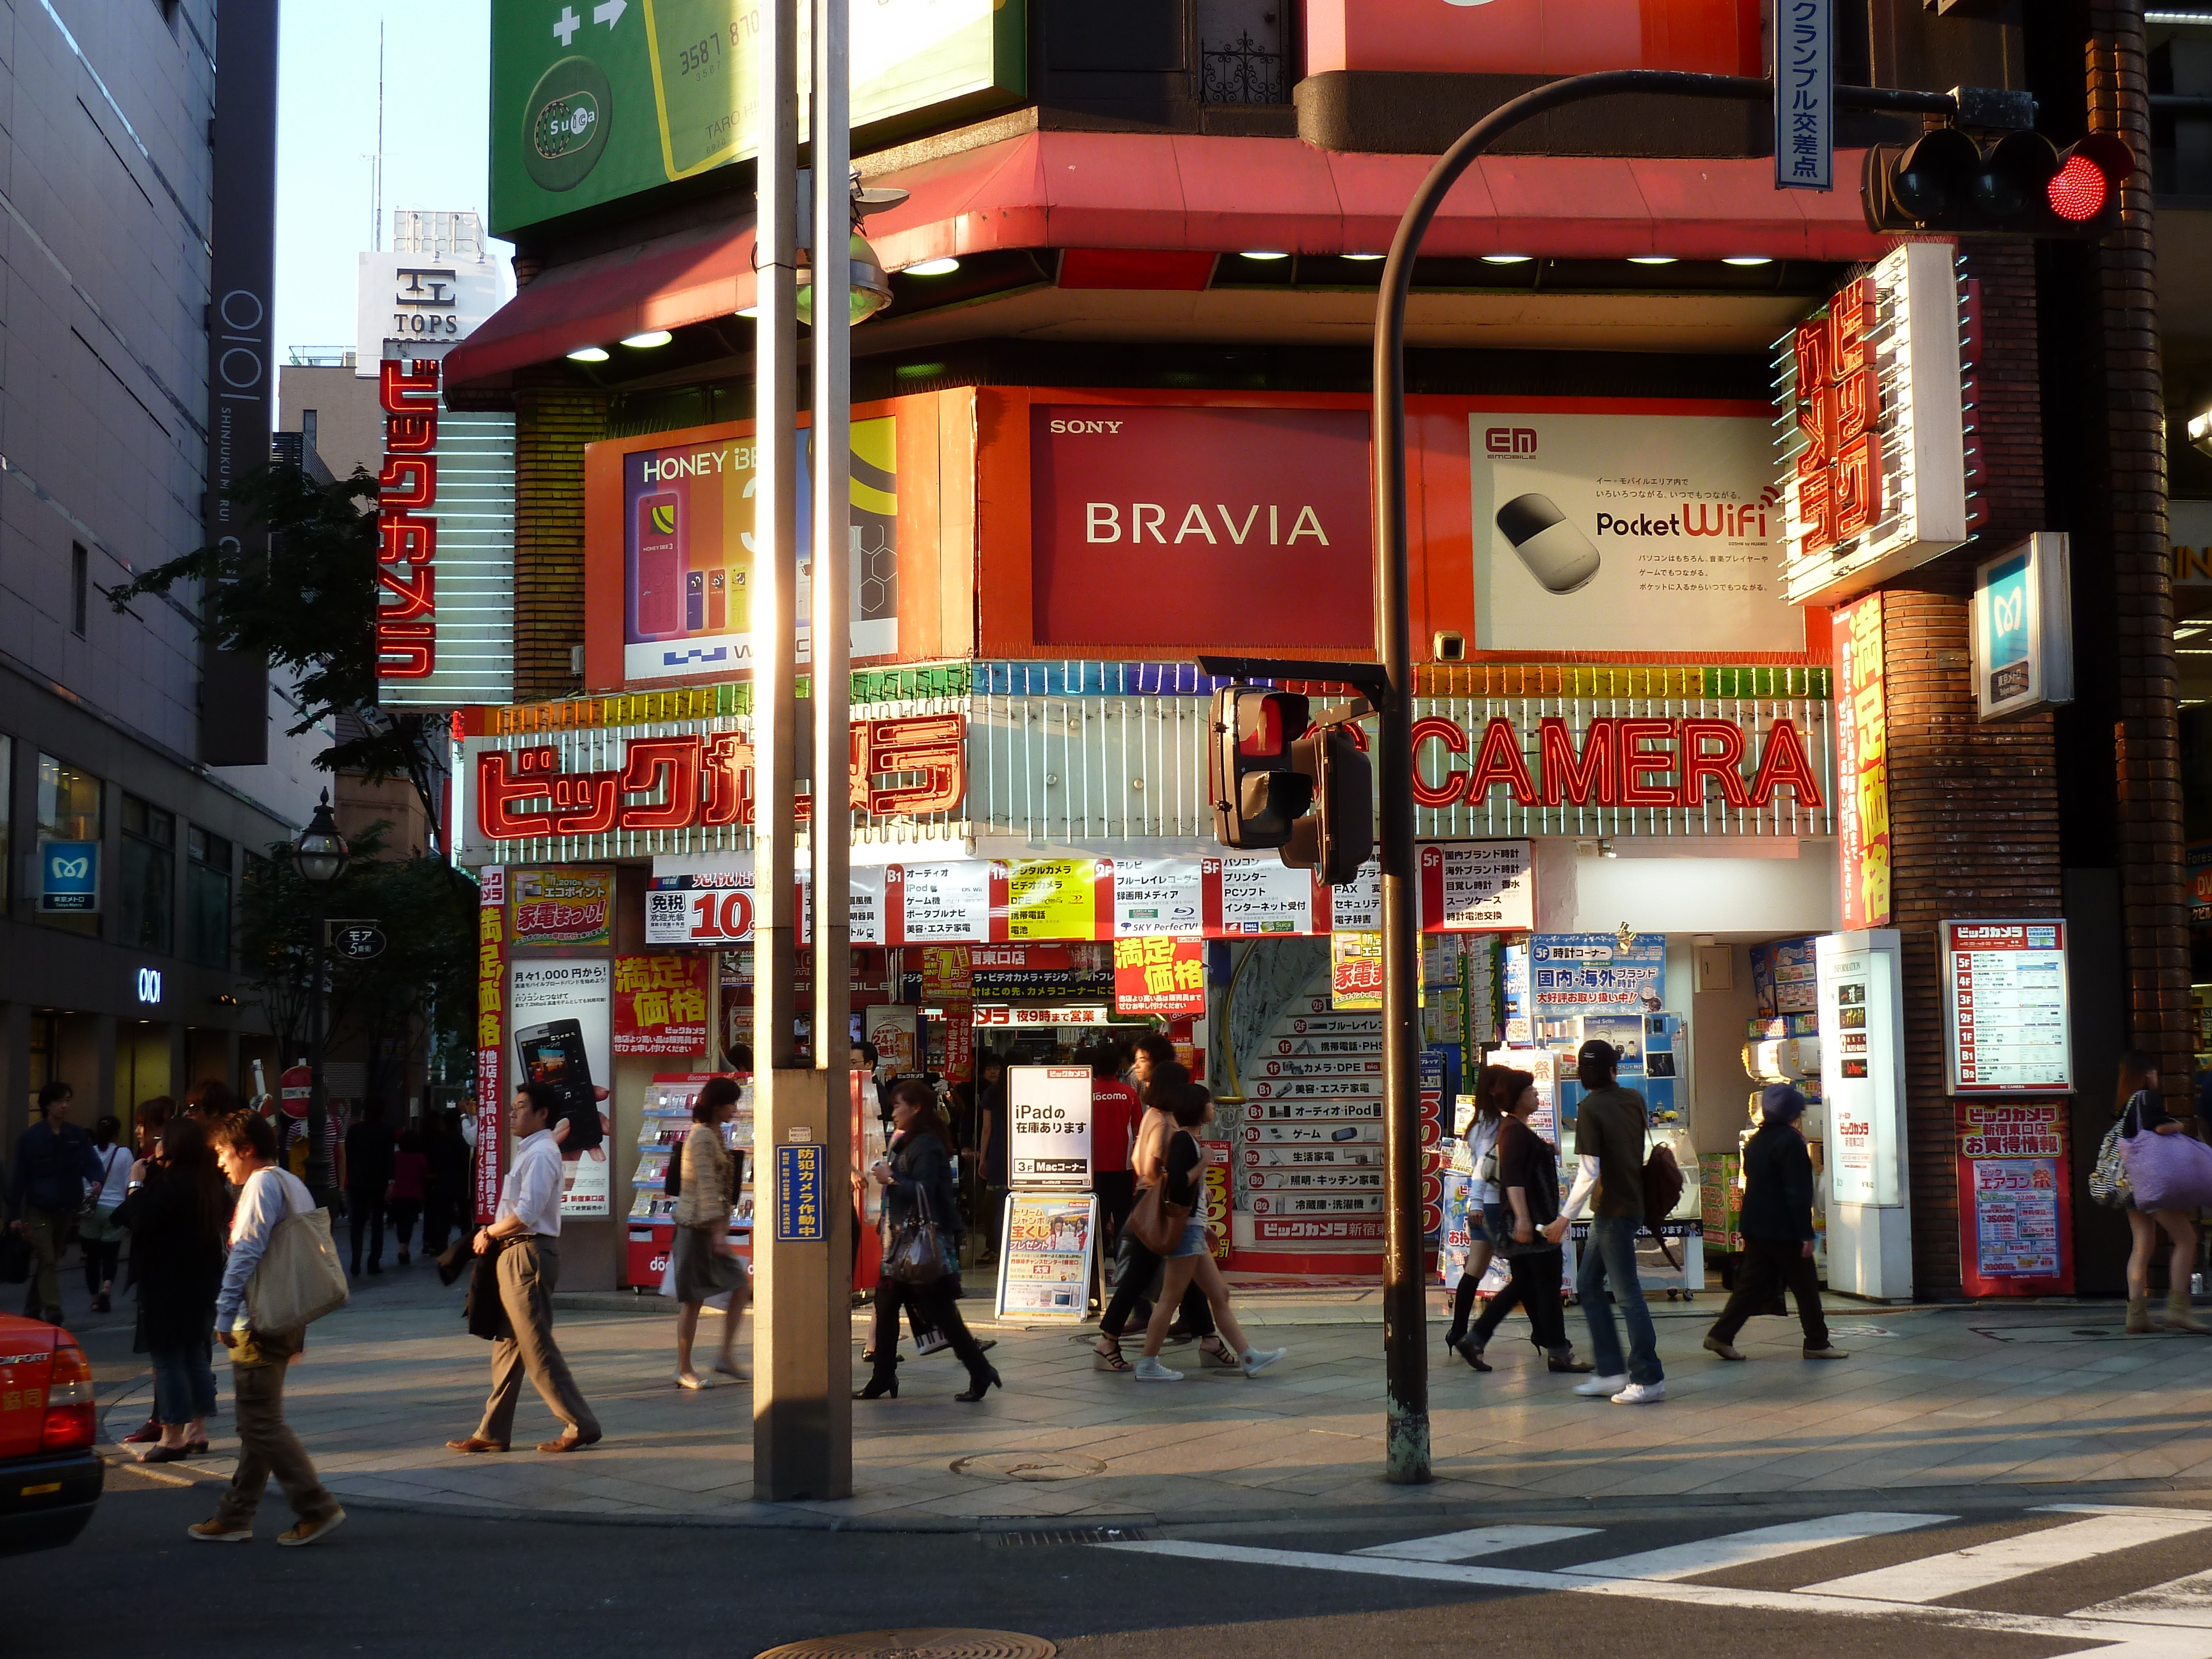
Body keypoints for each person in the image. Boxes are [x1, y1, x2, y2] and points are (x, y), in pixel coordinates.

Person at [188, 1112, 345, 1546]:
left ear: (246, 1149)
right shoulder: (292, 1182)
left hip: (257, 1322)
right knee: (256, 1422)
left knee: (259, 1422)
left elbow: (247, 1251)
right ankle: (236, 1514)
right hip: (282, 1318)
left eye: (223, 1153)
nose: (221, 1163)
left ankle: (316, 1507)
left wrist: (223, 1310)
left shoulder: (261, 1184)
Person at [445, 1083, 603, 1455]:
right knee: (508, 1345)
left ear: (543, 1113)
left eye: (521, 1107)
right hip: (516, 1253)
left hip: (527, 1254)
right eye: (513, 1107)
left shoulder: (543, 1153)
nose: (513, 1114)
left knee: (536, 1346)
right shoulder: (532, 1152)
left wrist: (488, 1232)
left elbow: (527, 1213)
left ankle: (580, 1423)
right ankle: (492, 1431)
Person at [855, 1080, 999, 1402]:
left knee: (942, 1313)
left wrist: (891, 1178)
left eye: (897, 1106)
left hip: (923, 1243)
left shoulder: (929, 1144)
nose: (893, 1112)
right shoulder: (905, 1141)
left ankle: (980, 1370)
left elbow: (928, 1190)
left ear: (916, 1108)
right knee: (887, 1305)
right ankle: (883, 1376)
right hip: (901, 1243)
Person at [1133, 1080, 1286, 1382]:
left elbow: (1185, 1189)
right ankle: (1148, 1363)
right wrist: (1203, 1164)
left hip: (1194, 1230)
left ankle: (1249, 1356)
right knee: (1170, 1299)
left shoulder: (1188, 1141)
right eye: (1209, 1103)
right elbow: (1177, 1184)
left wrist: (1204, 1225)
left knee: (1220, 1293)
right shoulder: (1183, 1142)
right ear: (1198, 1109)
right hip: (1186, 1232)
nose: (1213, 1107)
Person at [1545, 1039, 1666, 1405]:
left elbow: (1588, 1172)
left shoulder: (1591, 1109)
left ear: (1581, 1074)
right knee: (1589, 1283)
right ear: (1615, 1068)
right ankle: (1612, 1372)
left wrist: (1563, 1218)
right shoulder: (1633, 1098)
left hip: (1613, 1211)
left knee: (1627, 1295)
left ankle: (1648, 1378)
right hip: (1627, 1204)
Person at [1093, 1061, 1234, 1372]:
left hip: (1161, 1202)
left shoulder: (1156, 1117)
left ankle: (1210, 1339)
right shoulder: (1166, 1123)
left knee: (1188, 1274)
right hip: (1160, 1205)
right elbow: (1154, 1168)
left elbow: (1138, 1158)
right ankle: (1109, 1342)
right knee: (1141, 1278)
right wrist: (1186, 1184)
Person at [1456, 1068, 1592, 1375]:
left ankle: (1479, 1338)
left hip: (1530, 1219)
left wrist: (1546, 1150)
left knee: (1530, 1285)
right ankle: (1557, 1352)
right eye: (1530, 1092)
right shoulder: (1513, 1132)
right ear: (1516, 1099)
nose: (1536, 1095)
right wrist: (1523, 1219)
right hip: (1533, 1220)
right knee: (1544, 1284)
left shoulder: (1514, 1129)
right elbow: (1513, 1180)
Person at [1702, 1085, 1849, 1363]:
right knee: (1806, 1287)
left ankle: (1721, 1335)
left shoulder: (1757, 1141)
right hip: (1784, 1229)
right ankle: (1817, 1342)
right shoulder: (1791, 1142)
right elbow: (1796, 1192)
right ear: (1793, 1113)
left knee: (1751, 1285)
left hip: (1756, 1224)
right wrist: (1805, 1233)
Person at [124, 1117, 227, 1463]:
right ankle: (197, 1431)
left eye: (161, 1139)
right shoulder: (206, 1181)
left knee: (167, 1359)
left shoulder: (168, 1184)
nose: (155, 1144)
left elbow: (137, 1220)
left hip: (166, 1283)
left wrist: (137, 1184)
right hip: (200, 1282)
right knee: (195, 1354)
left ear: (173, 1145)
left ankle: (172, 1437)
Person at [2114, 1050, 2208, 1334]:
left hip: (2130, 1184)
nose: (2157, 1077)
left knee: (2142, 1245)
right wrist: (2179, 1124)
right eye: (2154, 1072)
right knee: (2186, 1239)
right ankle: (2179, 1311)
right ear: (2147, 1074)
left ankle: (2136, 1315)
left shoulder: (2125, 1103)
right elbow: (2160, 1129)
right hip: (2150, 1181)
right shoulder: (2147, 1098)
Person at [670, 1075, 748, 1389]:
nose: (735, 1110)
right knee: (693, 1300)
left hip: (710, 1228)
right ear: (717, 1105)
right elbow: (705, 1186)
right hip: (695, 1229)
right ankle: (683, 1367)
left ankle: (724, 1356)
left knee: (741, 1285)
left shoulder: (714, 1133)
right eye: (731, 1103)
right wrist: (719, 1232)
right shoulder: (702, 1137)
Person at [7, 1082, 102, 1324]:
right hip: (39, 1207)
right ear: (47, 1105)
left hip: (66, 1207)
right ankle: (53, 1309)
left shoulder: (76, 1135)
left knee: (49, 1260)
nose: (65, 1105)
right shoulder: (31, 1137)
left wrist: (95, 1179)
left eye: (68, 1100)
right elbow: (19, 1175)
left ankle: (32, 1309)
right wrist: (14, 1213)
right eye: (60, 1101)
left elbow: (90, 1161)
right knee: (47, 1257)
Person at [1442, 1065, 1510, 1355]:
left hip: (1484, 1205)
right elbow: (1483, 1166)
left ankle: (1458, 1331)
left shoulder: (1483, 1122)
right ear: (1495, 1090)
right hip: (1491, 1204)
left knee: (1475, 1269)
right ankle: (1548, 1338)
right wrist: (1479, 1203)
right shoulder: (1488, 1125)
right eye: (1506, 1085)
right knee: (1527, 1272)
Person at [1087, 1041, 1145, 1262]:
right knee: (1122, 1216)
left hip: (1092, 1166)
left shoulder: (1087, 1093)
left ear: (1096, 1066)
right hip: (1124, 1166)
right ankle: (1123, 1259)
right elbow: (1139, 1129)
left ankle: (1095, 1259)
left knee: (1096, 1217)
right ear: (1119, 1066)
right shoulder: (1129, 1094)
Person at [81, 1114, 133, 1313]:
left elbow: (83, 1183)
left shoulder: (89, 1153)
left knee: (92, 1258)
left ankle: (94, 1300)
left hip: (91, 1210)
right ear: (117, 1133)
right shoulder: (125, 1154)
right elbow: (130, 1183)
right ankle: (106, 1288)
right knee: (111, 1256)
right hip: (115, 1209)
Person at [341, 1099, 397, 1276]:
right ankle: (373, 1263)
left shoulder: (354, 1131)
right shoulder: (387, 1131)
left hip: (358, 1182)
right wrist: (391, 1181)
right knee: (377, 1223)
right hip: (378, 1182)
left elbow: (347, 1155)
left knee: (357, 1223)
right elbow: (390, 1158)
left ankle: (355, 1263)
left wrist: (347, 1177)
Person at [422, 1108, 472, 1259]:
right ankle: (467, 1246)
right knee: (464, 1216)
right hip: (462, 1183)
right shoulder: (463, 1141)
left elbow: (433, 1161)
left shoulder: (439, 1140)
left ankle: (440, 1247)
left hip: (442, 1183)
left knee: (442, 1216)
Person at [975, 1057, 1008, 1260]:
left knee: (999, 1205)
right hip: (1026, 1157)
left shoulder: (993, 1092)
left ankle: (999, 1250)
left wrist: (983, 1158)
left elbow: (987, 1129)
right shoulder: (1033, 1089)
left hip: (998, 1153)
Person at [388, 1126, 426, 1267]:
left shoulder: (396, 1157)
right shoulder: (420, 1158)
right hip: (414, 1196)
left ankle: (402, 1247)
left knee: (400, 1224)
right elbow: (424, 1176)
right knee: (408, 1224)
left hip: (398, 1195)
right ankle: (404, 1247)